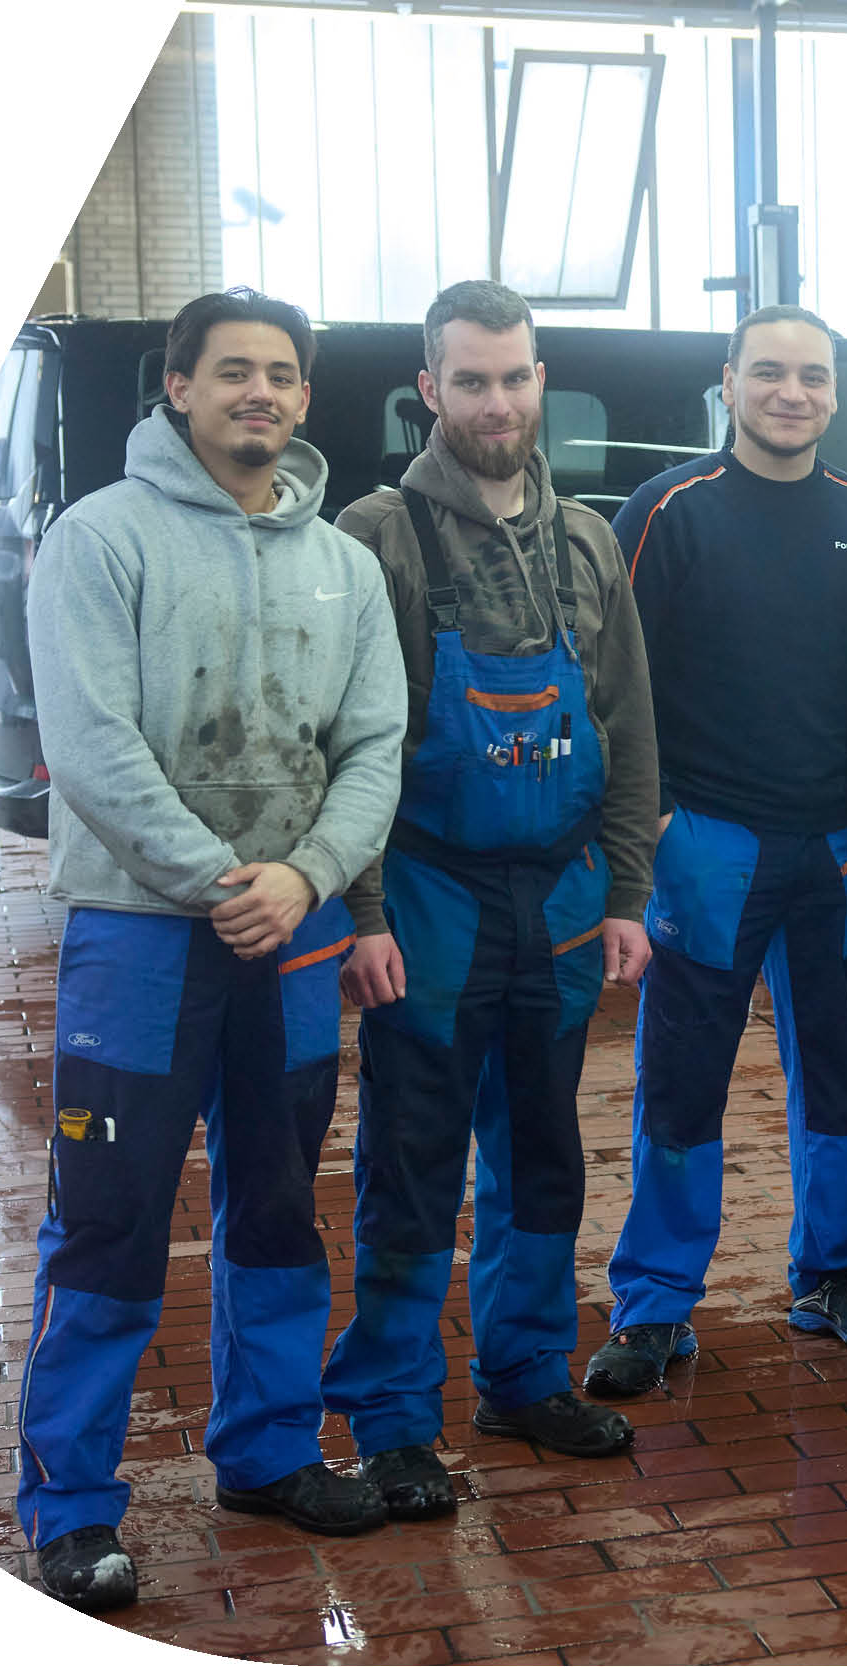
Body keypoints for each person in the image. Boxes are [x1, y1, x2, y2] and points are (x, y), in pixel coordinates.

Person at [18, 288, 407, 1611]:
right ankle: (71, 1507)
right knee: (111, 1220)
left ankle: (271, 1448)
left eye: (282, 374)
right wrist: (217, 878)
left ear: (305, 398)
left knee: (284, 1203)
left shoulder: (342, 566)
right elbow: (89, 741)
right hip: (140, 933)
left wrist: (302, 875)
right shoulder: (99, 540)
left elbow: (373, 745)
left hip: (292, 936)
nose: (261, 391)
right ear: (174, 386)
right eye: (231, 369)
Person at [318, 280, 662, 1513]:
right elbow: (344, 746)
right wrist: (359, 910)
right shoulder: (375, 536)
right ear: (431, 390)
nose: (500, 401)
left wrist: (627, 888)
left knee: (543, 1153)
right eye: (472, 380)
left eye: (517, 378)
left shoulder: (583, 539)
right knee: (412, 1161)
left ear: (540, 382)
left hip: (561, 901)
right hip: (429, 895)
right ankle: (396, 1416)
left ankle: (524, 1374)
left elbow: (628, 723)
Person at [584, 306, 847, 1396]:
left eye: (813, 376)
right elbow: (611, 687)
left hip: (841, 845)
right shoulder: (668, 509)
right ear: (727, 384)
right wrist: (656, 822)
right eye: (768, 372)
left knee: (834, 1071)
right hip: (709, 843)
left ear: (835, 393)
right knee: (682, 1079)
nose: (792, 393)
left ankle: (836, 1273)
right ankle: (652, 1303)